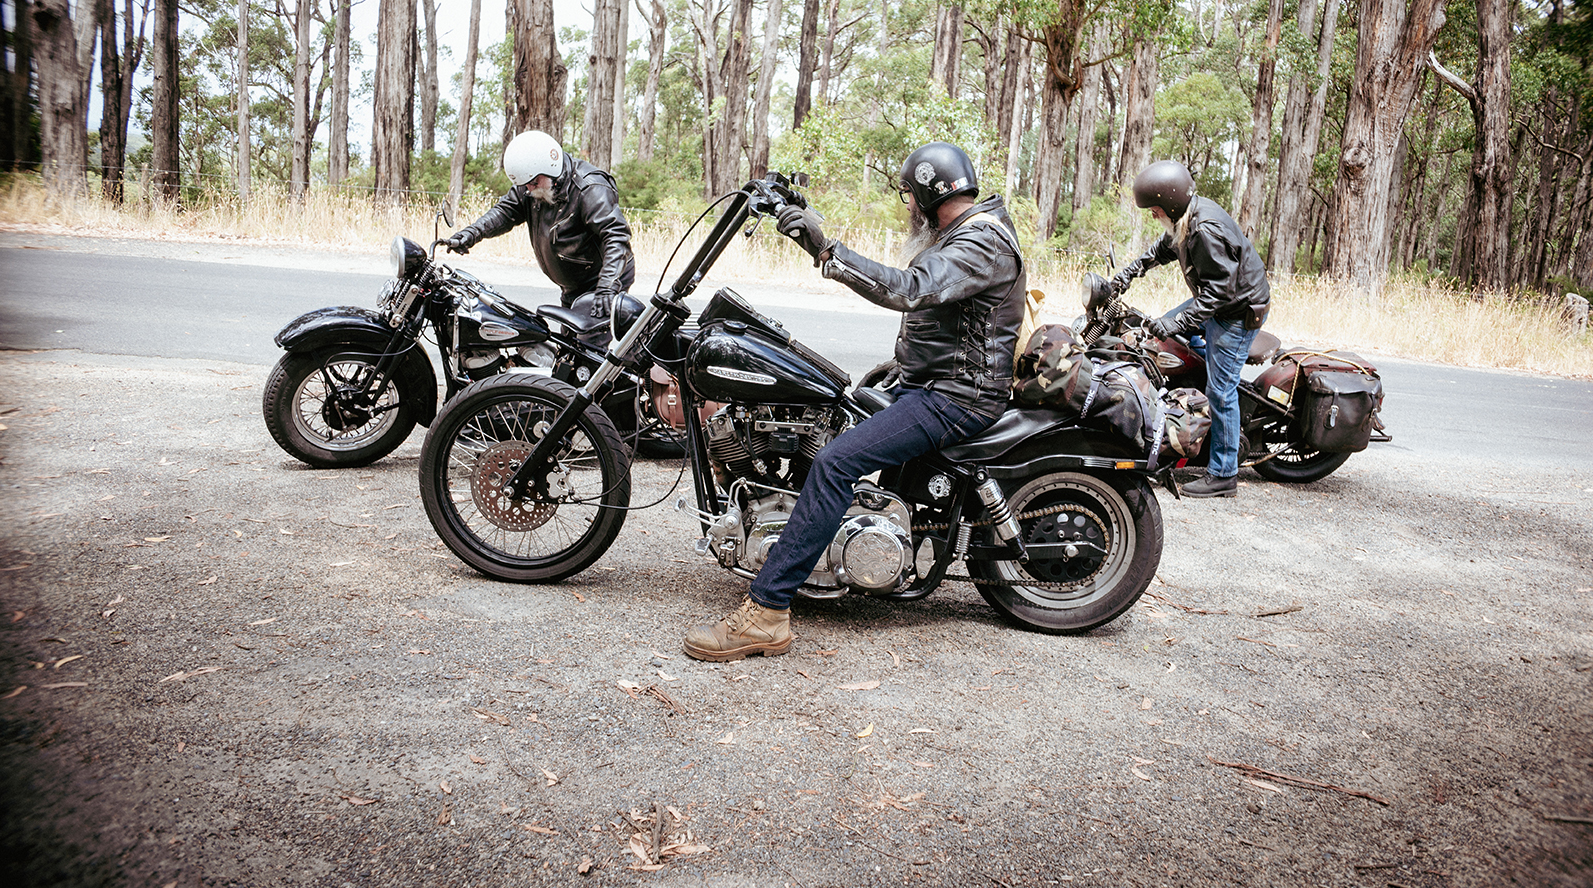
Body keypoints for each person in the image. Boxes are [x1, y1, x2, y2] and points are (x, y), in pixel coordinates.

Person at [682, 141, 1026, 662]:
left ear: (931, 193)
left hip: (956, 397)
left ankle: (767, 613)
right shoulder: (963, 232)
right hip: (929, 383)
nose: (907, 205)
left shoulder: (982, 241)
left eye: (910, 195)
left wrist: (829, 251)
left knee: (835, 463)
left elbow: (911, 290)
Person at [1111, 159, 1270, 498]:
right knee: (1163, 341)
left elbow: (1219, 294)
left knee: (1221, 390)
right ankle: (1193, 390)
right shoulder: (1185, 217)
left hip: (1236, 311)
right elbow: (1164, 248)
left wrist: (1175, 323)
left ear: (1169, 203)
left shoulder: (1204, 230)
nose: (1153, 215)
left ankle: (1224, 475)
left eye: (1154, 209)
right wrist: (1129, 273)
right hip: (1220, 299)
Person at [446, 130, 635, 330]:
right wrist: (471, 233)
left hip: (602, 278)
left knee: (588, 344)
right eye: (524, 184)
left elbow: (616, 235)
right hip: (574, 283)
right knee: (569, 344)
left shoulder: (589, 188)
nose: (528, 189)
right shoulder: (532, 183)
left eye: (534, 182)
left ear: (552, 168)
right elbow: (504, 212)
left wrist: (607, 286)